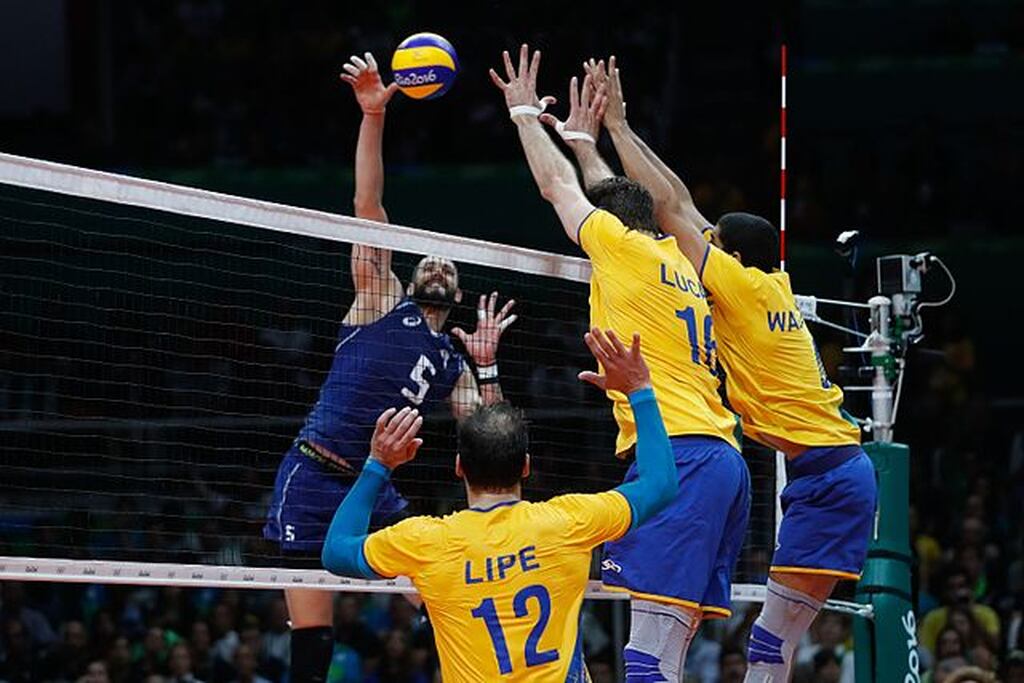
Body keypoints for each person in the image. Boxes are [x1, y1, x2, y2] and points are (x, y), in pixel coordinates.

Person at [562, 56, 876, 681]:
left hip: (827, 479)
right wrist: (600, 142)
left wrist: (617, 130)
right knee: (765, 646)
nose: (696, 242)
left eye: (712, 240)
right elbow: (668, 212)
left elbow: (670, 206)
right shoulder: (770, 284)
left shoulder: (736, 285)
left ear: (728, 255)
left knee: (761, 646)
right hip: (830, 471)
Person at [491, 45, 750, 679]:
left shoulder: (619, 245)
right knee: (665, 648)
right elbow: (645, 196)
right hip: (722, 458)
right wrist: (586, 139)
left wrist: (526, 116)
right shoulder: (680, 260)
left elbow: (558, 190)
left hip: (681, 456)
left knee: (645, 656)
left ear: (611, 225)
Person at [261, 52, 516, 683]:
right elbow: (366, 204)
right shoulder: (379, 298)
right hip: (315, 473)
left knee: (438, 591)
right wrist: (373, 116)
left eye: (448, 267)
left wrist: (485, 367)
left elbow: (492, 440)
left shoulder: (455, 359)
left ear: (454, 294)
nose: (436, 264)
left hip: (377, 492)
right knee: (312, 640)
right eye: (429, 260)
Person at [322, 327, 678, 681]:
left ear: (459, 467)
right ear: (525, 466)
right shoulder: (568, 522)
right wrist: (639, 390)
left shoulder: (428, 541)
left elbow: (336, 551)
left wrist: (377, 465)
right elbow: (661, 483)